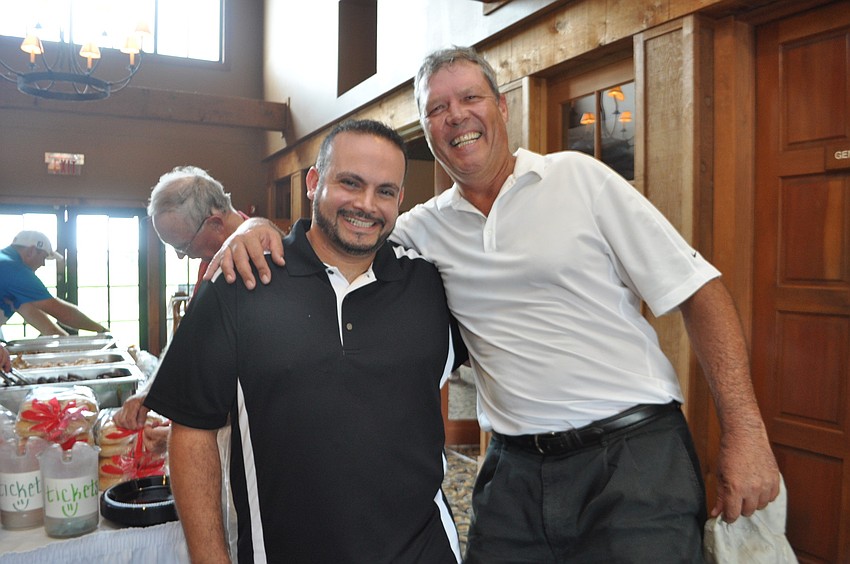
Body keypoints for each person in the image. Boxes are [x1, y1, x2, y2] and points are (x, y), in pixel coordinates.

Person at [212, 46, 781, 562]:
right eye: (437, 108)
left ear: (502, 107)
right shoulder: (419, 229)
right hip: (513, 474)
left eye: (470, 97)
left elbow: (698, 290)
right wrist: (256, 226)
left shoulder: (577, 179)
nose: (455, 115)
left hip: (633, 459)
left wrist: (746, 432)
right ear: (427, 131)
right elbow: (340, 235)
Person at [144, 119, 466, 563]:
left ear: (400, 200)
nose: (366, 205)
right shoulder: (241, 280)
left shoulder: (431, 285)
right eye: (349, 183)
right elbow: (193, 429)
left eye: (385, 191)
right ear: (314, 182)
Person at [113, 166, 250, 433]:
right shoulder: (213, 256)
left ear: (215, 224)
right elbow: (188, 333)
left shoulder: (258, 259)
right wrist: (151, 390)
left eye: (182, 246)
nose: (180, 256)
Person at [0, 230, 108, 338]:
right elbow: (62, 313)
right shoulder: (15, 270)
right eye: (43, 257)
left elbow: (38, 319)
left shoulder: (8, 271)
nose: (43, 264)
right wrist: (102, 330)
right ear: (31, 251)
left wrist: (68, 344)